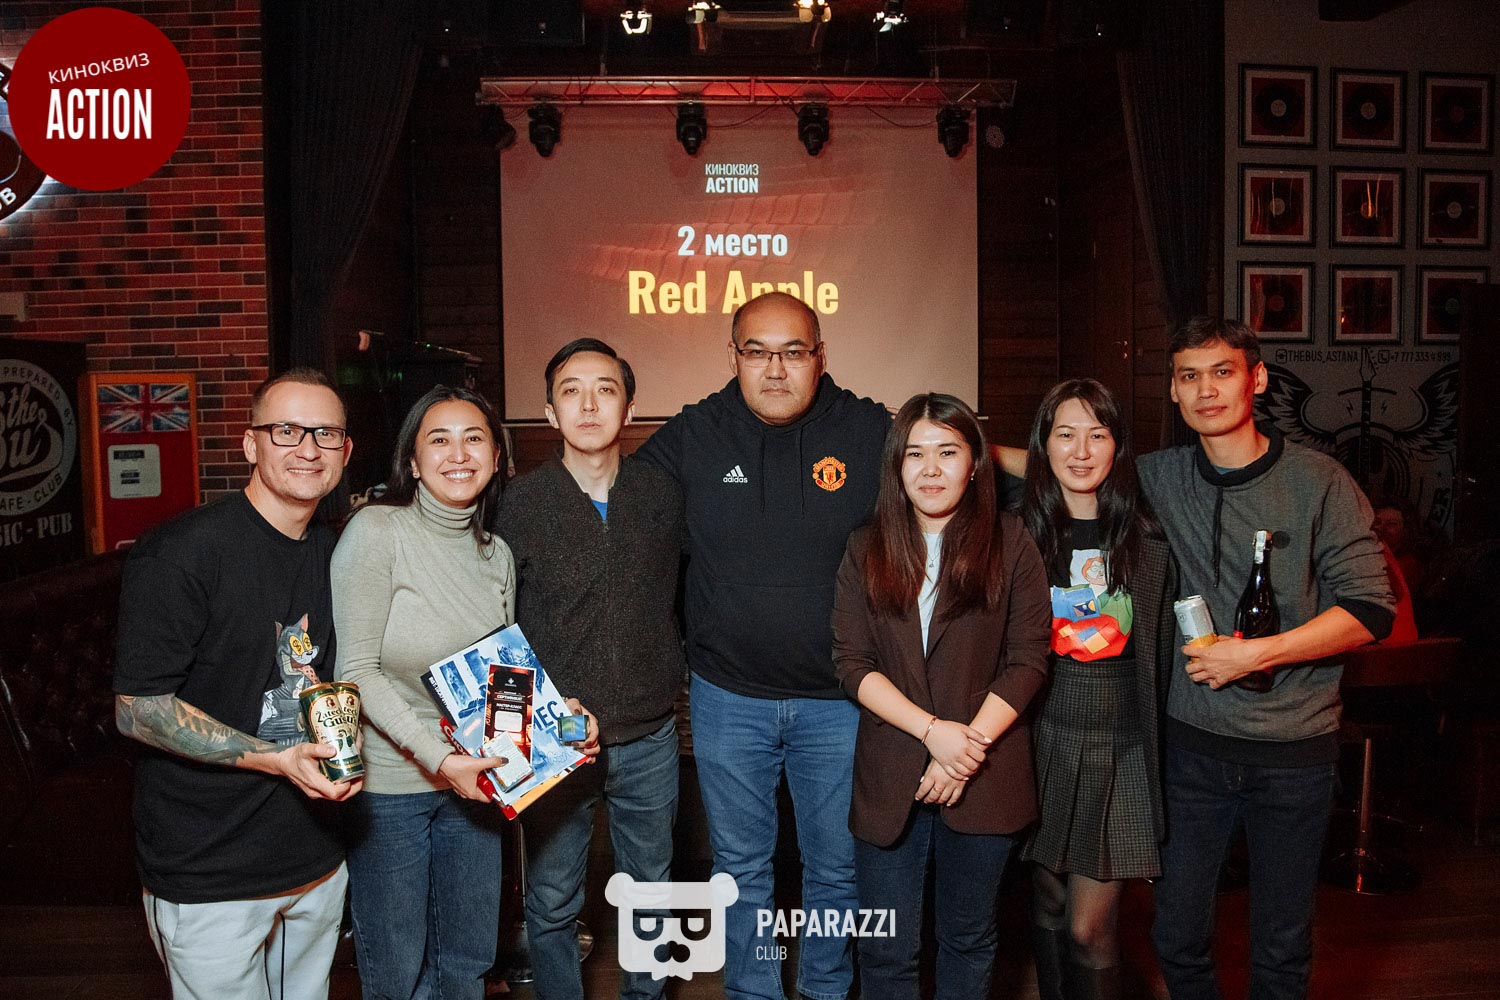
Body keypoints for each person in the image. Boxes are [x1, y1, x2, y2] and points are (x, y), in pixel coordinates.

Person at [632, 291, 891, 1000]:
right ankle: (754, 992)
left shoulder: (869, 429)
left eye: (793, 352)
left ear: (820, 357)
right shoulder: (695, 433)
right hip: (728, 699)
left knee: (836, 868)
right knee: (740, 870)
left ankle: (826, 989)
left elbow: (955, 460)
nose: (775, 369)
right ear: (734, 358)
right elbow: (613, 499)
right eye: (758, 352)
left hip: (840, 701)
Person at [1139, 319, 1394, 1000]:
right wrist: (951, 445)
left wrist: (1260, 655)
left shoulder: (1319, 481)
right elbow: (1064, 463)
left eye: (1222, 372)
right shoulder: (1161, 476)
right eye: (1189, 376)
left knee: (1280, 946)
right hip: (1192, 749)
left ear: (1256, 379)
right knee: (1176, 934)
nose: (1206, 390)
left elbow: (1372, 609)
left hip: (1293, 752)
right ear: (1173, 390)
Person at [332, 386, 589, 1000]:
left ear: (497, 457)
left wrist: (558, 721)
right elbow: (356, 671)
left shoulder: (496, 555)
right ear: (413, 461)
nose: (458, 454)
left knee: (470, 958)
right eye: (439, 440)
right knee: (398, 971)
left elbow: (498, 678)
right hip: (393, 790)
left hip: (476, 788)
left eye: (474, 439)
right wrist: (440, 761)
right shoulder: (377, 531)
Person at [114, 367, 360, 1000]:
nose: (308, 448)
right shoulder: (181, 552)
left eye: (325, 433)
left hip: (314, 858)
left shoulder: (336, 550)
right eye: (287, 431)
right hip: (210, 869)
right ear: (251, 444)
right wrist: (274, 759)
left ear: (345, 451)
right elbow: (138, 709)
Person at [830, 392, 1051, 1000]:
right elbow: (852, 664)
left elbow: (1028, 658)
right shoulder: (865, 547)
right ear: (896, 467)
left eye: (947, 452)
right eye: (914, 454)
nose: (930, 469)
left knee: (969, 939)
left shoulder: (1012, 542)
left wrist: (963, 752)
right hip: (890, 774)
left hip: (986, 774)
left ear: (974, 463)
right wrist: (933, 733)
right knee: (885, 948)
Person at [496, 338, 685, 1000]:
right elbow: (497, 624)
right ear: (550, 413)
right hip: (553, 741)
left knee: (651, 893)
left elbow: (688, 597)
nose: (588, 404)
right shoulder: (518, 504)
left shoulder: (663, 496)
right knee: (551, 902)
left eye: (605, 389)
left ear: (628, 407)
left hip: (649, 736)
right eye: (570, 391)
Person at [1017, 379, 1176, 1000]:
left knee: (1089, 928)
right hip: (1038, 735)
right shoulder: (1018, 534)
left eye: (1097, 434)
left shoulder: (1151, 536)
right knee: (1048, 901)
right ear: (1044, 444)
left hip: (1122, 743)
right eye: (1065, 434)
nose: (1081, 451)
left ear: (1118, 446)